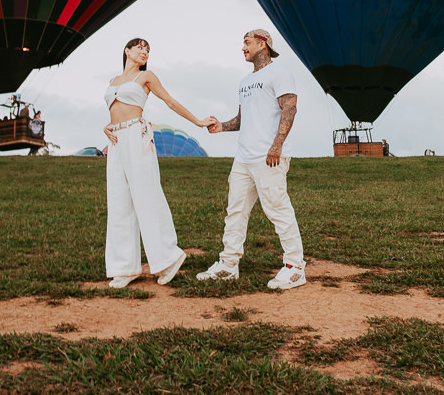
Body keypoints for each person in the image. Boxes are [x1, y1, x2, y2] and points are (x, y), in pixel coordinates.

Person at [103, 37, 216, 289]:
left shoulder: (146, 77)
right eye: (140, 47)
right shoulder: (113, 81)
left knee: (147, 195)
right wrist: (106, 127)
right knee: (119, 201)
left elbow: (170, 102)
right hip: (116, 140)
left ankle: (168, 259)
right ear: (127, 51)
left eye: (148, 49)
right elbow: (114, 110)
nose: (144, 52)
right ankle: (125, 268)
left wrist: (197, 122)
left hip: (136, 134)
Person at [199, 29, 306, 290]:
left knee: (278, 210)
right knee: (235, 211)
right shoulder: (245, 81)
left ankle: (295, 268)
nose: (242, 48)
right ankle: (228, 265)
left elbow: (289, 107)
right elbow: (242, 119)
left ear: (262, 44)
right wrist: (220, 127)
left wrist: (276, 146)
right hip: (244, 158)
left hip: (268, 156)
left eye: (246, 43)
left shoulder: (279, 73)